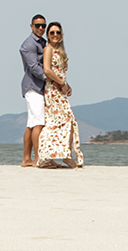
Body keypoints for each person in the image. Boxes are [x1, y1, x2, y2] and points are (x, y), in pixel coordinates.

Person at [36, 22, 84, 169]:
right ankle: (64, 156)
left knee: (66, 121)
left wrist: (67, 86)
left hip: (60, 90)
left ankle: (62, 155)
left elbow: (60, 72)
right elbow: (47, 70)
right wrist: (61, 83)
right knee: (59, 121)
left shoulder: (60, 51)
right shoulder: (48, 50)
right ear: (48, 35)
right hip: (53, 90)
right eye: (52, 32)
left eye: (58, 32)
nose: (55, 35)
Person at [19, 15, 48, 167]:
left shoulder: (42, 42)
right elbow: (34, 67)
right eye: (37, 25)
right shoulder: (29, 44)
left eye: (43, 25)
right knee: (39, 122)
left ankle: (26, 159)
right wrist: (50, 79)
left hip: (37, 87)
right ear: (31, 26)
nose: (41, 28)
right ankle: (39, 158)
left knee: (31, 124)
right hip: (33, 86)